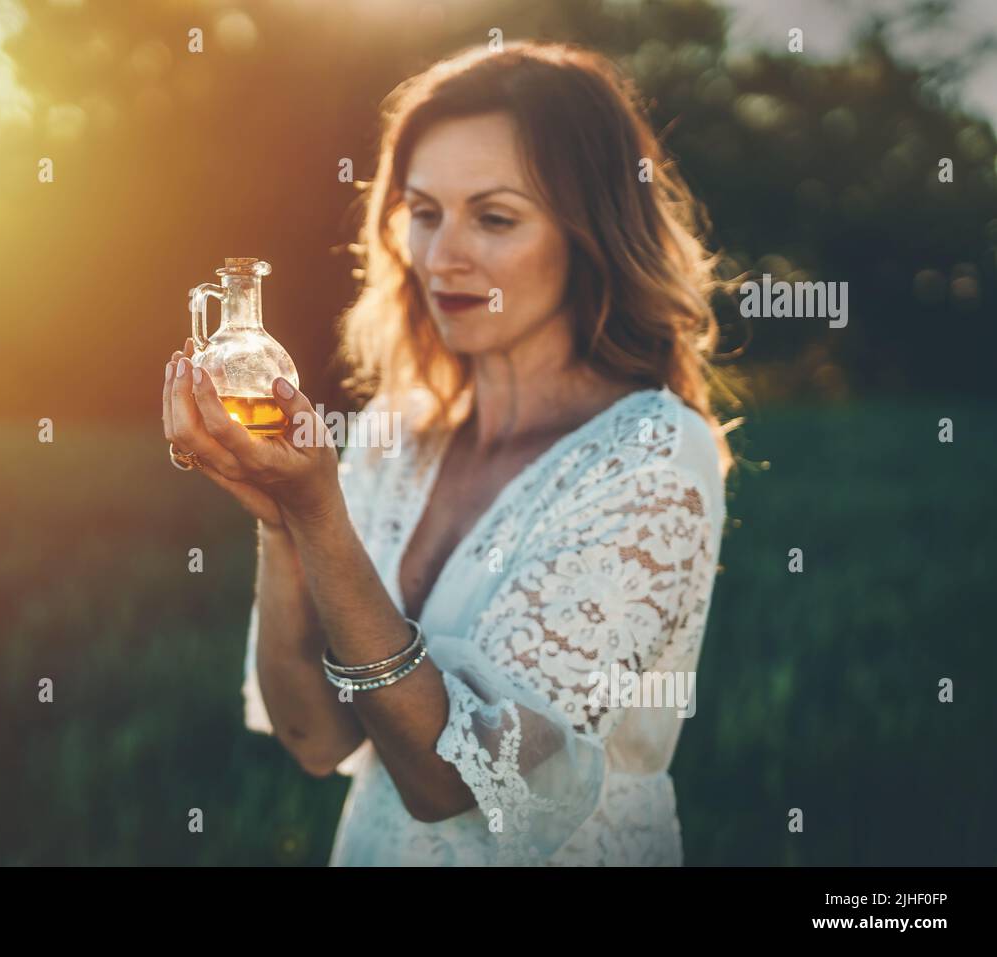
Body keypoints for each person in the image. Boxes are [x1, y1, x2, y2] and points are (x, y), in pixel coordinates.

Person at [162, 40, 736, 865]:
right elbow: (314, 737)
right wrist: (284, 523)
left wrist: (322, 516)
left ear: (592, 233)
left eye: (495, 217)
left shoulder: (649, 455)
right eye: (424, 213)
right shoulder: (399, 433)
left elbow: (449, 781)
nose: (442, 256)